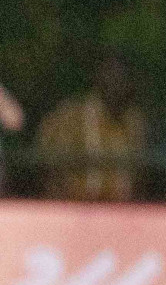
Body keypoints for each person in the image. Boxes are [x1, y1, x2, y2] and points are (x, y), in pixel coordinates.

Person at [36, 56, 147, 202]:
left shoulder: (134, 121)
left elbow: (140, 174)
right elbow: (48, 164)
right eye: (110, 75)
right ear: (97, 78)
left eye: (121, 78)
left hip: (122, 211)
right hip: (75, 208)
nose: (115, 84)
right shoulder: (71, 115)